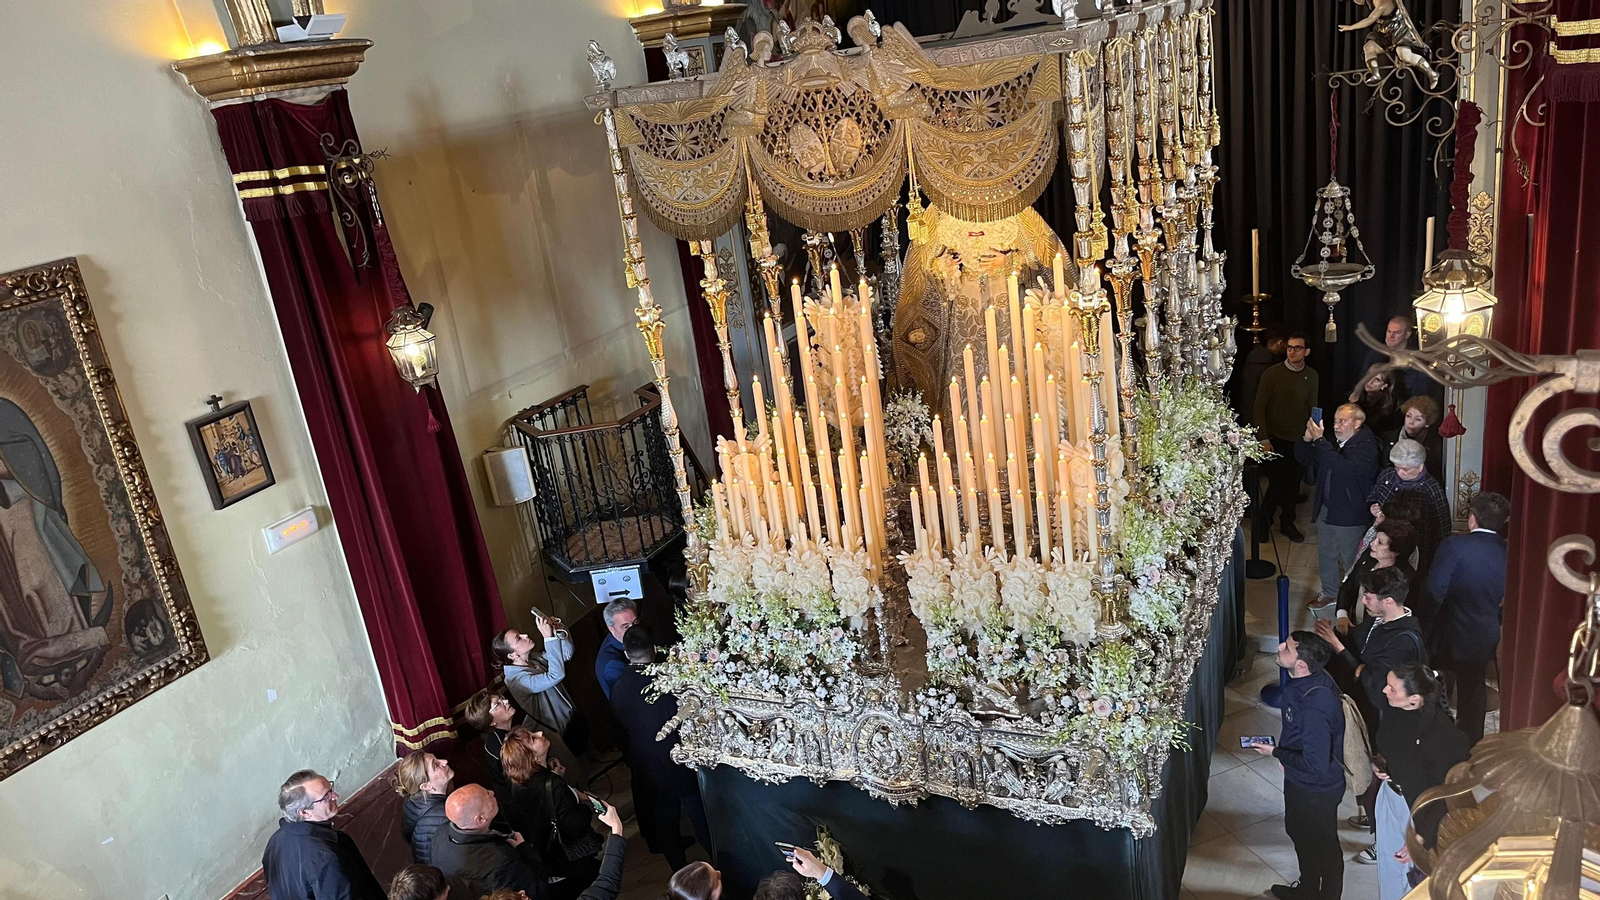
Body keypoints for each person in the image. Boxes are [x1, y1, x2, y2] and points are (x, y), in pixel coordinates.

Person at [1250, 631, 1345, 900]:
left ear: (1302, 664)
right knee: (1299, 832)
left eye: (1288, 648)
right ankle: (1307, 889)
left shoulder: (1315, 705)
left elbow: (1316, 764)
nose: (1280, 647)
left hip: (1316, 789)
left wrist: (1277, 753)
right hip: (1299, 779)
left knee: (1323, 844)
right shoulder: (1301, 680)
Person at [609, 625, 712, 871]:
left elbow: (621, 729)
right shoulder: (671, 682)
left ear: (626, 653)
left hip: (649, 765)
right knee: (701, 818)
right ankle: (719, 863)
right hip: (682, 761)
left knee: (665, 821)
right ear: (655, 650)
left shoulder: (618, 688)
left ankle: (677, 870)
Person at [1373, 663, 1471, 899]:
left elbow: (1448, 792)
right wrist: (1382, 764)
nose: (1385, 691)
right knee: (1388, 865)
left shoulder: (1445, 736)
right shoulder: (1395, 712)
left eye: (1392, 688)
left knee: (1414, 880)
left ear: (1414, 700)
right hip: (1391, 797)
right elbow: (1394, 750)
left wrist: (1421, 836)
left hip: (1419, 813)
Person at [433, 783, 626, 900]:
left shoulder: (441, 834)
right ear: (480, 820)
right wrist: (524, 848)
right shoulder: (500, 862)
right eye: (487, 796)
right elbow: (538, 890)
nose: (492, 792)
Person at [1426, 491, 1510, 745]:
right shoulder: (1509, 552)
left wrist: (1423, 627)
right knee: (1473, 693)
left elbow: (1434, 591)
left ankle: (1438, 741)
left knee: (1439, 688)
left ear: (1472, 519)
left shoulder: (1454, 546)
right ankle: (1470, 747)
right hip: (1484, 632)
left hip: (1447, 632)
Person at [500, 726, 605, 897]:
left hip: (549, 856)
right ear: (531, 757)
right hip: (572, 856)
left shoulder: (517, 784)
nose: (540, 734)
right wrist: (585, 803)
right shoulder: (552, 783)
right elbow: (575, 826)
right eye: (533, 739)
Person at [1295, 403, 1381, 609]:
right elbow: (1304, 458)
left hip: (1349, 514)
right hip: (1327, 508)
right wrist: (1307, 439)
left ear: (1357, 423)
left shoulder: (1367, 445)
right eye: (1335, 420)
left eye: (1342, 421)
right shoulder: (1335, 442)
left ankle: (1355, 602)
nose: (1336, 425)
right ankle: (1331, 593)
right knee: (1327, 553)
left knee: (1352, 560)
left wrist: (1320, 441)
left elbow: (1343, 469)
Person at [1316, 568, 1425, 721]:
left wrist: (1335, 643)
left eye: (1368, 597)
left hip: (1370, 714)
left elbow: (1372, 681)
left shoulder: (1403, 643)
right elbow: (1359, 641)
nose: (1363, 601)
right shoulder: (1378, 617)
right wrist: (1335, 634)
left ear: (1388, 601)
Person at [263, 770, 386, 900]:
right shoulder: (324, 856)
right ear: (304, 812)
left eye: (331, 789)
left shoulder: (275, 841)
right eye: (326, 797)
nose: (335, 796)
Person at [493, 617, 586, 783]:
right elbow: (555, 675)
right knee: (576, 778)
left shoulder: (533, 659)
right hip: (555, 733)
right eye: (518, 638)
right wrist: (548, 638)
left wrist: (557, 631)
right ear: (512, 654)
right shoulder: (516, 679)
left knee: (585, 769)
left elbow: (565, 654)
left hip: (569, 722)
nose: (525, 635)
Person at [1254, 333, 1319, 542]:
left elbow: (1313, 407)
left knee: (1293, 484)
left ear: (1306, 352)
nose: (1292, 351)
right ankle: (1264, 520)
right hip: (1275, 437)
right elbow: (1258, 407)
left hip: (1299, 438)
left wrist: (1314, 435)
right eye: (1290, 347)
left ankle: (1287, 522)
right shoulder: (1272, 374)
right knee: (1278, 483)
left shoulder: (1312, 375)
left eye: (1297, 348)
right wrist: (1263, 438)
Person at [1368, 439, 1453, 575]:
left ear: (1420, 466)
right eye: (1396, 467)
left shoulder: (1431, 488)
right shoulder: (1387, 475)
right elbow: (1373, 495)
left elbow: (1442, 528)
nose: (1399, 473)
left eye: (1405, 469)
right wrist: (1373, 506)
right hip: (1382, 547)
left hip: (1417, 550)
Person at [1335, 518, 1417, 636]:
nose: (1372, 543)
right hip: (1353, 624)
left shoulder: (1405, 578)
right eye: (1375, 539)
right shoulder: (1367, 558)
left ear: (1395, 552)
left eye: (1380, 542)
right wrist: (1342, 615)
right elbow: (1348, 586)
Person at [397, 751, 454, 866]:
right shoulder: (446, 815)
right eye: (436, 765)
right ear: (426, 786)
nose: (444, 762)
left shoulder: (412, 802)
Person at [464, 688, 524, 796]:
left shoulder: (514, 724)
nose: (506, 702)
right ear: (490, 722)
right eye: (498, 704)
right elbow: (521, 784)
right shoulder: (500, 748)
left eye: (501, 698)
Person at [1360, 316, 1434, 400]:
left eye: (1397, 332)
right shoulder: (1375, 354)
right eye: (1389, 331)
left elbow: (1420, 396)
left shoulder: (1418, 360)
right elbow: (1362, 383)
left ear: (1407, 334)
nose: (1391, 336)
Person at [1389, 396, 1443, 483]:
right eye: (1408, 416)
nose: (1411, 422)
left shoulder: (1434, 445)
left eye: (1418, 419)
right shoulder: (1389, 438)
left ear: (1427, 423)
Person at [1236, 328, 1287, 419]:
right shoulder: (1270, 364)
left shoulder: (1254, 358)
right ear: (1280, 343)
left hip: (1248, 409)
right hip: (1263, 415)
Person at [594, 598, 638, 699]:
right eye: (625, 627)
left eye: (635, 623)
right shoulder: (612, 665)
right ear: (611, 628)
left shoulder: (637, 636)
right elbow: (632, 697)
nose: (634, 630)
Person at [1353, 371, 1405, 440]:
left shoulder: (1388, 409)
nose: (1370, 381)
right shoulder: (1356, 397)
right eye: (1369, 376)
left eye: (1377, 380)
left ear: (1384, 385)